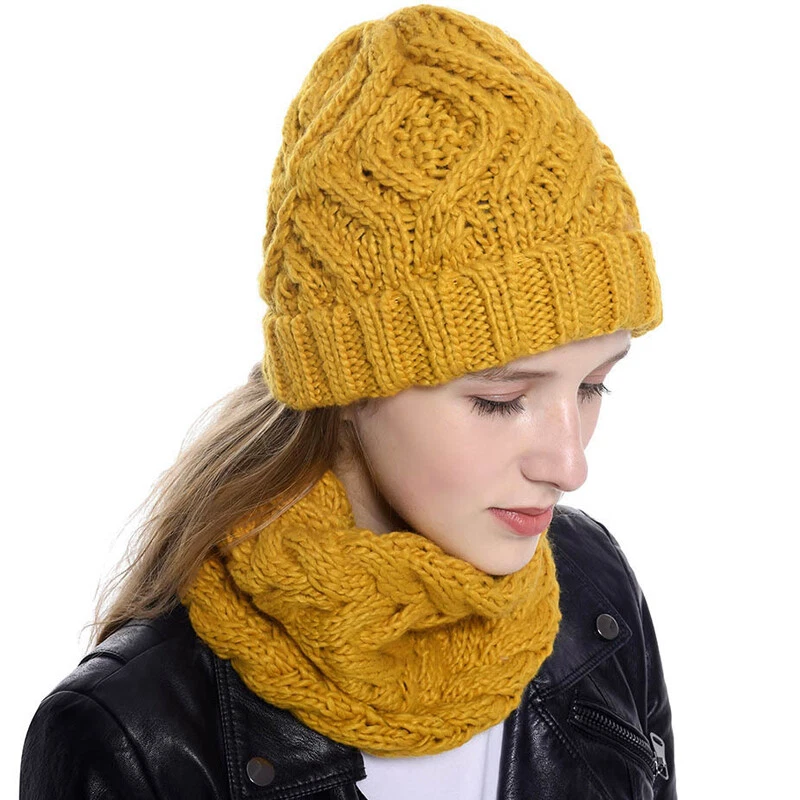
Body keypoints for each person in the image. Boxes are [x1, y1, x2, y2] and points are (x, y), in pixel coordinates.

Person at [20, 4, 677, 798]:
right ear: (345, 386)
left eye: (594, 385)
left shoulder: (596, 594)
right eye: (502, 398)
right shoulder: (129, 735)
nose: (570, 465)